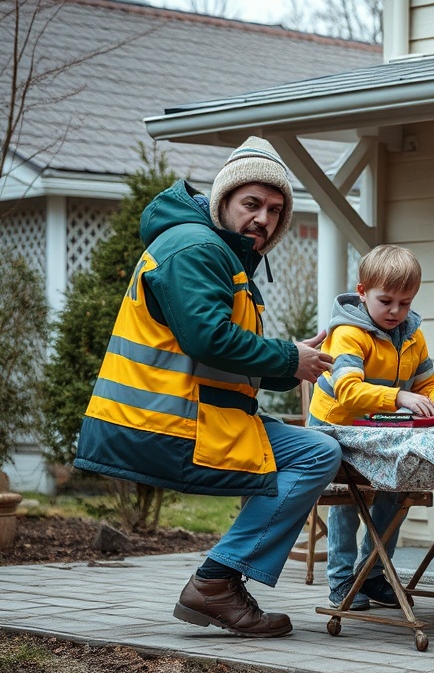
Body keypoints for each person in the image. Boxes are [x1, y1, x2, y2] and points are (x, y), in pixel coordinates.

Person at [74, 137, 343, 639]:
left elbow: (221, 356)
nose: (263, 218)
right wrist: (288, 356)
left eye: (275, 209)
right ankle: (217, 583)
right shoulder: (196, 247)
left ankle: (218, 580)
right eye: (252, 204)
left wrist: (293, 365)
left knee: (316, 450)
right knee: (312, 456)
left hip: (197, 413)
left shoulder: (217, 251)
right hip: (163, 422)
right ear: (222, 201)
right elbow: (208, 339)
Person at [306, 244, 434, 611]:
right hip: (336, 428)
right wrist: (399, 398)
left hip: (381, 431)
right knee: (348, 498)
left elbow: (427, 381)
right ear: (362, 293)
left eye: (405, 303)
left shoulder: (411, 334)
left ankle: (373, 575)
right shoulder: (348, 333)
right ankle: (343, 581)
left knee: (396, 489)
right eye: (386, 301)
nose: (396, 311)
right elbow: (348, 390)